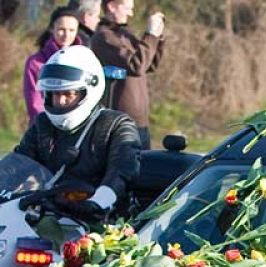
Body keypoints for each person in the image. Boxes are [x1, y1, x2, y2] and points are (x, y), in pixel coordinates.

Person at [14, 45, 141, 221]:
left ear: (89, 89)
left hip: (103, 222)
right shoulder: (43, 124)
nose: (60, 101)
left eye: (68, 93)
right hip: (47, 217)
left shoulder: (117, 125)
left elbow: (122, 171)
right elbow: (18, 164)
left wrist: (98, 202)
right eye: (54, 94)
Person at [91, 0, 165, 150]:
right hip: (121, 121)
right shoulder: (104, 37)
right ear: (112, 6)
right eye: (127, 8)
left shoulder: (124, 35)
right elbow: (136, 65)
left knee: (145, 163)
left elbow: (149, 65)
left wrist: (158, 37)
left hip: (140, 121)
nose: (131, 14)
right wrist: (150, 35)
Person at [22, 6, 82, 125]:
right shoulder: (36, 63)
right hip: (44, 127)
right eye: (61, 29)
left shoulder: (84, 59)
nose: (66, 35)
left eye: (71, 30)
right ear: (51, 29)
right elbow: (34, 102)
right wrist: (49, 125)